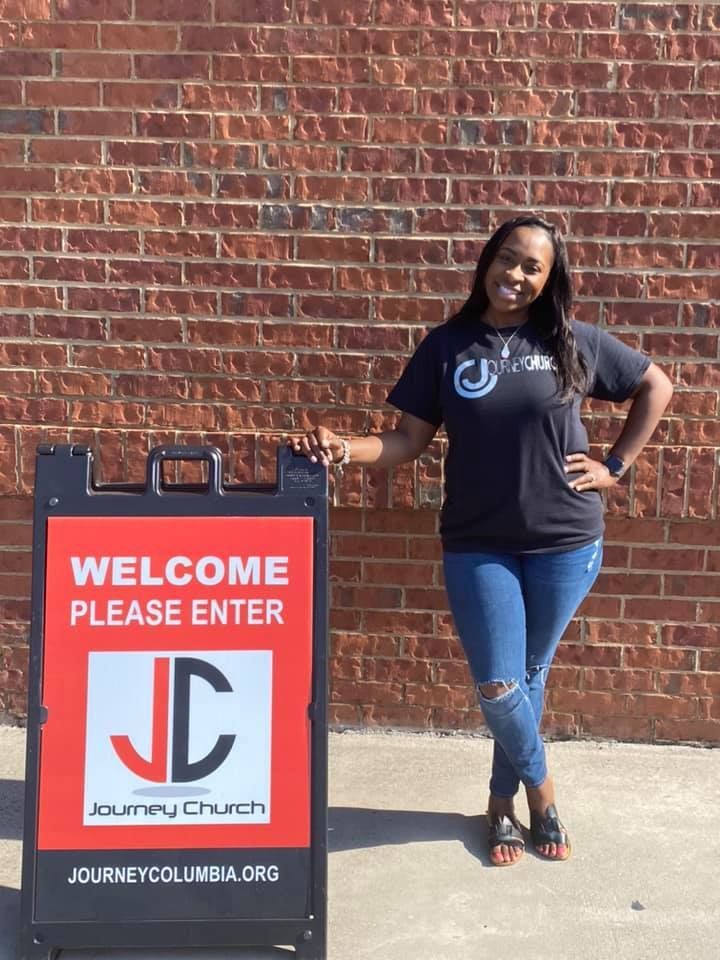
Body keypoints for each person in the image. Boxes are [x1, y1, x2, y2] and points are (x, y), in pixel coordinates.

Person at [289, 215, 673, 866]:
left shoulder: (570, 341)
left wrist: (614, 466)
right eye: (508, 259)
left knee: (527, 674)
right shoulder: (448, 346)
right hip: (477, 540)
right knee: (500, 683)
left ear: (549, 281)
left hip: (564, 538)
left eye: (533, 267)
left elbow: (655, 385)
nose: (516, 275)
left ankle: (500, 803)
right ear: (487, 262)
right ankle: (542, 794)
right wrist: (343, 450)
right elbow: (406, 441)